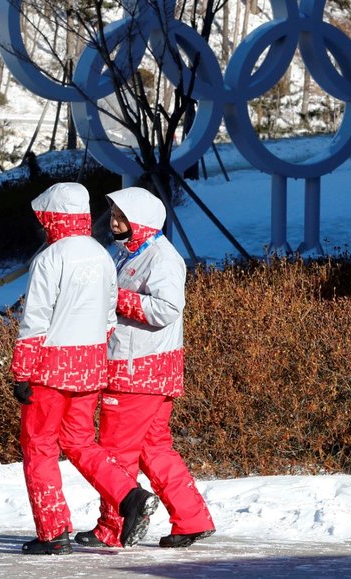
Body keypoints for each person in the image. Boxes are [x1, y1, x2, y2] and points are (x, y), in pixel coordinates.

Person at [11, 182, 159, 555]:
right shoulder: (101, 255)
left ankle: (53, 531)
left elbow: (36, 319)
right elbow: (110, 316)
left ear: (52, 218)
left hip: (48, 369)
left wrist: (22, 371)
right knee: (79, 441)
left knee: (39, 445)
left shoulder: (49, 258)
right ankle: (128, 494)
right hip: (91, 366)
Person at [75, 186, 215, 549]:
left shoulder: (161, 258)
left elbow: (167, 309)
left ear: (142, 221)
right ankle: (191, 518)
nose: (115, 222)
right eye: (114, 215)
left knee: (114, 450)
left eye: (123, 216)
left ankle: (114, 527)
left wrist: (116, 298)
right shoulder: (130, 254)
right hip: (149, 368)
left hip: (138, 369)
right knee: (154, 448)